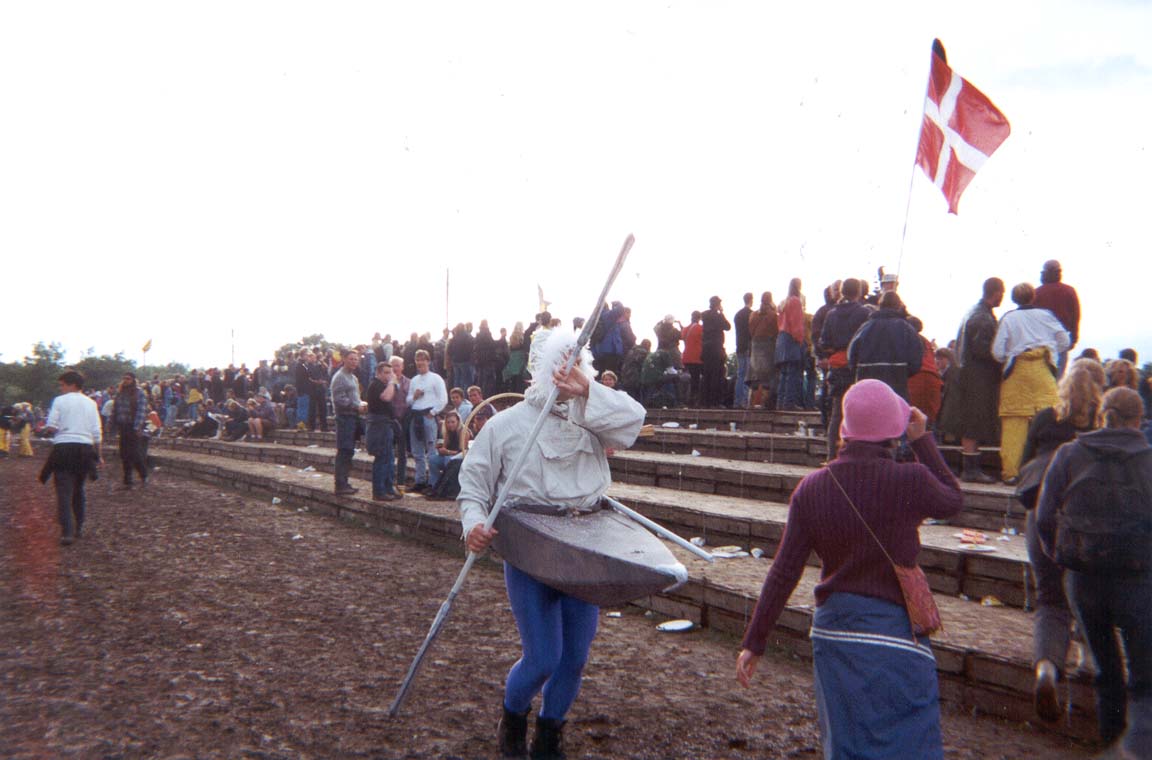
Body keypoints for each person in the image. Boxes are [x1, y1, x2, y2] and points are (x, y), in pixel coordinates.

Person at [736, 380, 963, 759]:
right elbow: (954, 499)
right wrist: (923, 441)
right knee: (910, 739)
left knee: (846, 744)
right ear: (894, 430)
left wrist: (754, 642)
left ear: (845, 428)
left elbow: (784, 572)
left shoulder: (811, 488)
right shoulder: (911, 479)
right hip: (893, 632)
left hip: (834, 633)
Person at [460, 329, 646, 759]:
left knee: (574, 657)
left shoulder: (595, 416)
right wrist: (473, 523)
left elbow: (632, 423)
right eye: (561, 363)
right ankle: (513, 718)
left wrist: (590, 392)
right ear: (540, 368)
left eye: (577, 362)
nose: (569, 371)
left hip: (586, 545)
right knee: (543, 657)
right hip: (531, 549)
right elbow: (473, 484)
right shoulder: (505, 425)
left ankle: (549, 734)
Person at [1036, 387, 1152, 758]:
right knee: (1145, 676)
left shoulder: (1069, 453)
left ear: (1101, 414)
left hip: (1083, 577)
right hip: (1138, 579)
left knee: (1106, 670)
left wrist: (1058, 556)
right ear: (1139, 419)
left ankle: (1109, 742)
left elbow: (1043, 516)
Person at [1017, 362, 1103, 724]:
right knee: (1089, 590)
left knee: (1050, 599)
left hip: (1042, 514)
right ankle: (1089, 659)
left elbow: (1022, 466)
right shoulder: (1102, 424)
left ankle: (1047, 670)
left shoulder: (1044, 418)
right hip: (1088, 520)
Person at [991, 282, 1071, 484]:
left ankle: (1011, 473)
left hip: (1016, 373)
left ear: (1013, 298)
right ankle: (1051, 469)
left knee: (1013, 424)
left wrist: (1011, 353)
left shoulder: (1008, 319)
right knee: (1050, 419)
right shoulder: (1047, 316)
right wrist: (1051, 349)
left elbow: (998, 352)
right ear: (1033, 296)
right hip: (1043, 370)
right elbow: (1065, 341)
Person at [938, 278, 1005, 483]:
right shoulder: (982, 318)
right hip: (976, 378)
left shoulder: (974, 313)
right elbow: (983, 350)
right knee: (973, 423)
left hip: (969, 376)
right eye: (1002, 293)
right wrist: (1004, 359)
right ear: (996, 292)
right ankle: (971, 469)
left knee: (971, 423)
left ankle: (971, 468)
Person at [38, 371, 103, 545]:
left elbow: (52, 426)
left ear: (72, 384)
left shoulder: (60, 401)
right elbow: (96, 432)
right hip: (84, 448)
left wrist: (46, 431)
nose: (61, 388)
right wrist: (99, 455)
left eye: (62, 385)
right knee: (78, 489)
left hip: (64, 448)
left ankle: (67, 531)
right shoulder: (91, 403)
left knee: (64, 491)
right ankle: (79, 526)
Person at [819, 277, 872, 452]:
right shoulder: (864, 313)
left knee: (837, 413)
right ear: (859, 292)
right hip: (857, 366)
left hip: (837, 366)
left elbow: (824, 342)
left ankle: (831, 455)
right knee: (859, 413)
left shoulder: (831, 314)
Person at [846, 292, 923, 401]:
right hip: (897, 386)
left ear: (880, 306)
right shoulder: (906, 329)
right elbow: (916, 360)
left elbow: (851, 357)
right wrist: (902, 372)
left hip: (868, 386)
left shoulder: (865, 328)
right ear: (898, 306)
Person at [407, 349, 448, 493]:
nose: (420, 362)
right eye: (417, 360)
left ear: (428, 361)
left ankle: (433, 482)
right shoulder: (414, 380)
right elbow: (408, 400)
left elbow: (443, 399)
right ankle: (420, 481)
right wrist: (415, 396)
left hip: (428, 415)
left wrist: (433, 412)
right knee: (417, 451)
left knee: (431, 450)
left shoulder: (436, 378)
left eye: (423, 359)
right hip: (415, 415)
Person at [1032, 260, 1080, 377]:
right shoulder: (1069, 291)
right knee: (1058, 378)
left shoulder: (1036, 293)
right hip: (1061, 339)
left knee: (1042, 376)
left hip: (1040, 341)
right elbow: (1076, 316)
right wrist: (1073, 338)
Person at [330, 350, 366, 496]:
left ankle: (344, 482)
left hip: (354, 417)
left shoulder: (353, 377)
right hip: (344, 418)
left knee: (349, 450)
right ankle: (340, 484)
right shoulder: (339, 377)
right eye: (351, 359)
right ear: (344, 359)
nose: (354, 362)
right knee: (344, 450)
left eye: (356, 359)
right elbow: (339, 399)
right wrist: (356, 406)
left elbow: (354, 397)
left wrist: (361, 404)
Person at [365, 360, 399, 501]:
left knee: (389, 458)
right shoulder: (376, 385)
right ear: (378, 373)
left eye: (390, 373)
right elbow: (386, 397)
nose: (389, 375)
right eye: (386, 373)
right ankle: (379, 491)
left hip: (385, 423)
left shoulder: (383, 385)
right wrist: (392, 383)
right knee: (382, 457)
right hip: (378, 425)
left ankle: (388, 488)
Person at [113, 373, 150, 488]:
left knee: (134, 453)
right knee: (124, 453)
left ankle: (143, 474)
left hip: (133, 426)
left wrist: (137, 426)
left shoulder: (139, 393)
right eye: (124, 378)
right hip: (122, 426)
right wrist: (112, 423)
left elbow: (141, 411)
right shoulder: (120, 393)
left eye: (128, 379)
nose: (125, 380)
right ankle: (127, 480)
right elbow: (115, 409)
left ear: (133, 380)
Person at [747, 291, 779, 409]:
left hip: (755, 345)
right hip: (768, 345)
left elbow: (750, 331)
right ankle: (765, 404)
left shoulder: (753, 314)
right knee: (767, 376)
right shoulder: (773, 315)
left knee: (755, 376)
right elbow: (777, 331)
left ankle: (751, 403)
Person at [700, 296, 731, 408]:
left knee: (706, 374)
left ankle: (705, 401)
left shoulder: (704, 315)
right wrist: (721, 312)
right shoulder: (718, 316)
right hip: (716, 347)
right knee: (716, 375)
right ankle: (714, 401)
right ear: (718, 305)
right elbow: (727, 327)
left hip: (705, 348)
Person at [428, 410, 466, 492]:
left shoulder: (463, 431)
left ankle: (447, 488)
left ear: (458, 421)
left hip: (460, 458)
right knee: (432, 459)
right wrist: (440, 450)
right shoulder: (447, 432)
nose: (450, 424)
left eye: (453, 422)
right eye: (448, 422)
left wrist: (448, 452)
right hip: (449, 455)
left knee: (448, 460)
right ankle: (434, 485)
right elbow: (444, 447)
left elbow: (462, 452)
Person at [390, 356, 411, 494]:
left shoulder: (409, 382)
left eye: (398, 365)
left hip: (404, 420)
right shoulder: (386, 382)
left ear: (402, 367)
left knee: (402, 454)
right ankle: (389, 481)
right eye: (393, 365)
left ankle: (401, 483)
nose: (395, 368)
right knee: (389, 453)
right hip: (390, 420)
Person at [733, 292, 754, 408]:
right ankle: (745, 401)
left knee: (740, 374)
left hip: (739, 346)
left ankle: (737, 401)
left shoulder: (737, 315)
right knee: (747, 375)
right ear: (751, 300)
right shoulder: (751, 314)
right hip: (748, 346)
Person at [681, 311, 704, 405]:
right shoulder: (700, 328)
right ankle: (694, 400)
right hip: (696, 357)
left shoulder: (685, 329)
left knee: (688, 379)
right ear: (699, 318)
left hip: (686, 357)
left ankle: (686, 399)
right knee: (696, 380)